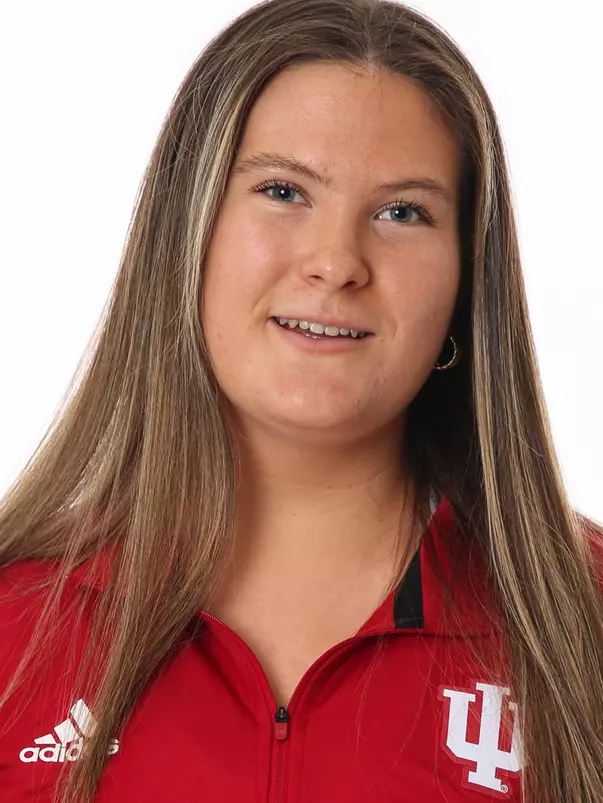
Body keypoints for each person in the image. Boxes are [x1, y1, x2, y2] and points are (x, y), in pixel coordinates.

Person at [1, 0, 602, 801]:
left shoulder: (581, 621)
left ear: (465, 282)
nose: (335, 262)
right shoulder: (17, 622)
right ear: (187, 234)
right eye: (283, 190)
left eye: (402, 212)